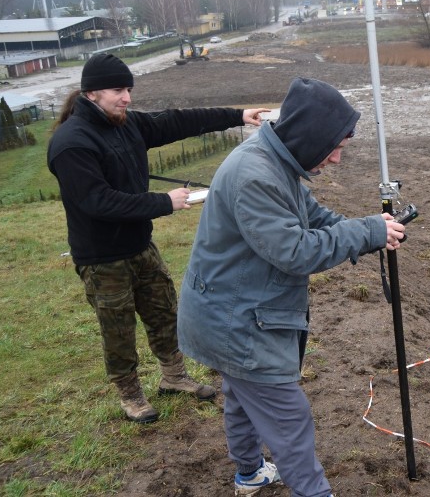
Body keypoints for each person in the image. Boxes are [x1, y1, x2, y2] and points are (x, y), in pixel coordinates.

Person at [177, 77, 406, 497]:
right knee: (288, 418)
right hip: (236, 323)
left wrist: (372, 232)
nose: (337, 159)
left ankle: (248, 473)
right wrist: (364, 232)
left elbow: (311, 215)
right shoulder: (256, 176)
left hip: (226, 311)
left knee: (242, 399)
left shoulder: (273, 162)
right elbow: (295, 251)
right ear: (309, 137)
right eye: (334, 146)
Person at [47, 53, 268, 424]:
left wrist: (237, 115)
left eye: (129, 90)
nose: (127, 98)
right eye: (119, 90)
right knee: (117, 328)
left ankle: (174, 377)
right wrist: (162, 202)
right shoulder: (72, 143)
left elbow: (177, 121)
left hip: (140, 245)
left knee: (165, 312)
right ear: (91, 93)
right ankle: (130, 394)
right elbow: (96, 201)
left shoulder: (124, 124)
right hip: (102, 257)